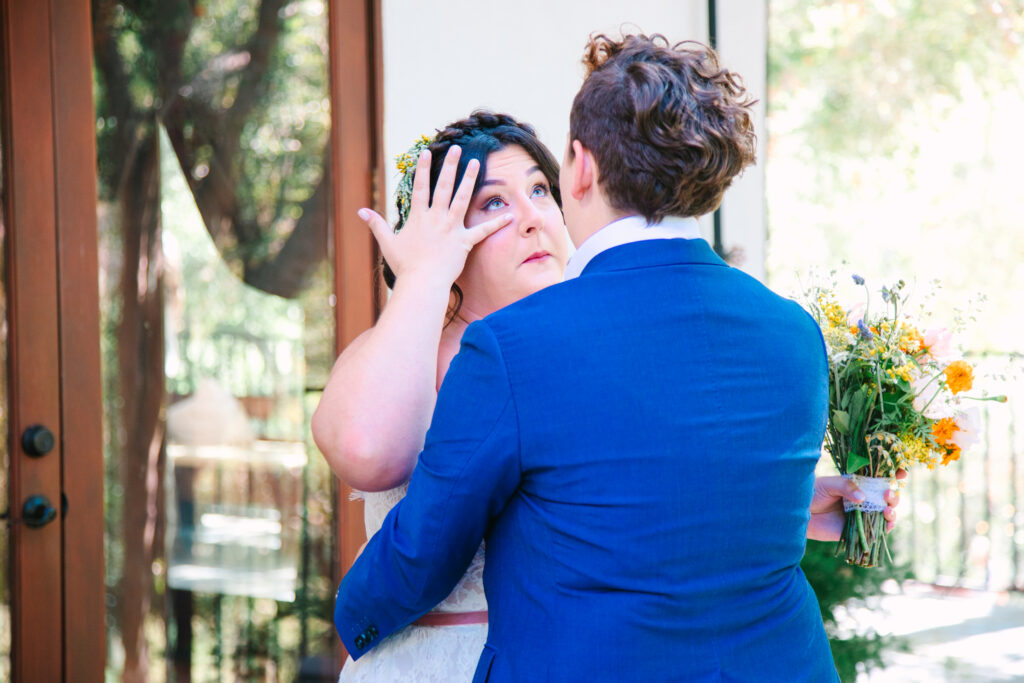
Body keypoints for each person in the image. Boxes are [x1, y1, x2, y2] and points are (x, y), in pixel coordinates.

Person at [321, 39, 899, 680]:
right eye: (491, 203)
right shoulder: (793, 331)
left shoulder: (519, 346)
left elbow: (423, 549)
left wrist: (348, 622)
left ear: (580, 170)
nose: (530, 219)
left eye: (539, 189)